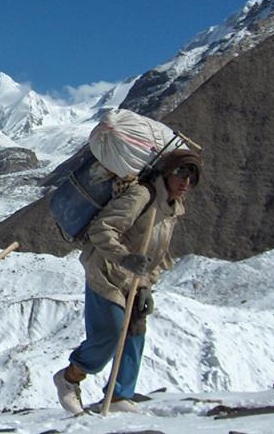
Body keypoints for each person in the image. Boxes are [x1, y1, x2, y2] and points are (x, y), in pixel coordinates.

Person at [53, 149, 203, 414]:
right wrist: (125, 258)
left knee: (135, 330)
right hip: (106, 270)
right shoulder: (143, 195)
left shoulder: (172, 208)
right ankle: (70, 378)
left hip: (133, 277)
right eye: (181, 173)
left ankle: (120, 395)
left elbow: (157, 254)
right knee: (111, 331)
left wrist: (146, 284)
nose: (185, 182)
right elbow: (102, 229)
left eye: (192, 177)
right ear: (168, 172)